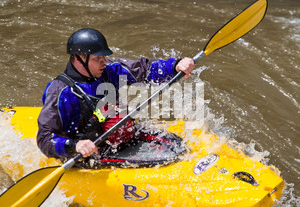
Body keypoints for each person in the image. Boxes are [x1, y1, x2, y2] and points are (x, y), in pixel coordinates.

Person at [37, 28, 195, 160]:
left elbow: (144, 69)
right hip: (91, 151)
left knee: (178, 145)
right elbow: (44, 138)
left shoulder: (110, 71)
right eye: (97, 58)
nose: (104, 62)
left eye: (104, 57)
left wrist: (174, 66)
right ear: (79, 58)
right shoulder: (60, 92)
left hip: (120, 137)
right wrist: (74, 146)